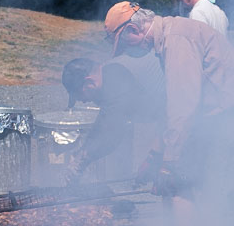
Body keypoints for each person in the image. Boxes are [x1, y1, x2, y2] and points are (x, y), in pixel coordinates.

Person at [102, 2, 234, 226]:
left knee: (218, 197)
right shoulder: (171, 36)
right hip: (225, 118)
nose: (129, 51)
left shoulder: (176, 40)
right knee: (208, 191)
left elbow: (183, 106)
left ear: (133, 30)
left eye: (126, 44)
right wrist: (156, 154)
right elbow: (175, 107)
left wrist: (169, 164)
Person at [59, 43, 166, 185]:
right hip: (175, 112)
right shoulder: (109, 74)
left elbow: (111, 134)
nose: (83, 101)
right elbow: (103, 123)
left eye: (81, 95)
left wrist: (81, 161)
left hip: (189, 107)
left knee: (174, 180)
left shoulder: (116, 80)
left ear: (89, 83)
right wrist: (82, 152)